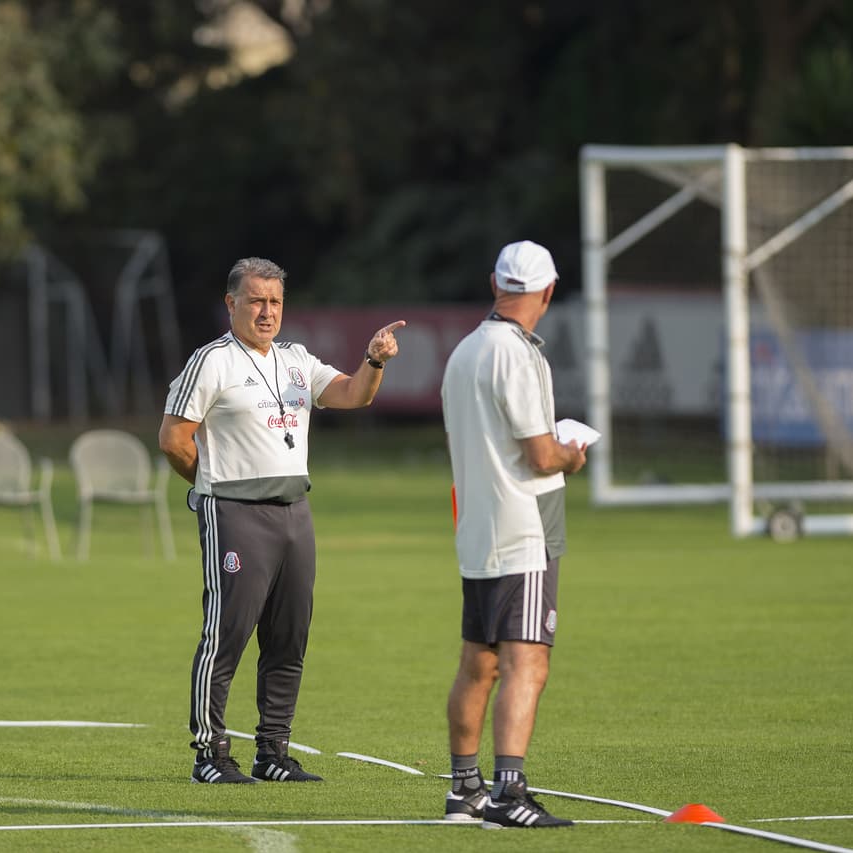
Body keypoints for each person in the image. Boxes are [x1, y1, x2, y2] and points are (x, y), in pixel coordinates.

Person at [159, 256, 405, 784]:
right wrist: (214, 486)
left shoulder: (296, 359)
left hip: (295, 511)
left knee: (289, 637)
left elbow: (351, 394)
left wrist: (374, 360)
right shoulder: (212, 361)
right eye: (255, 301)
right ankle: (211, 753)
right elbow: (173, 440)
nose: (267, 311)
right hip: (235, 513)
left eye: (274, 301)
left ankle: (272, 752)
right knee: (227, 634)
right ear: (232, 304)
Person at [440, 240, 587, 828]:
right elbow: (540, 452)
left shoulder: (464, 351)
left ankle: (464, 790)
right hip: (522, 526)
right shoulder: (518, 355)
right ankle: (508, 792)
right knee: (528, 662)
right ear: (548, 292)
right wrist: (572, 456)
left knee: (479, 662)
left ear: (494, 283)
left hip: (476, 526)